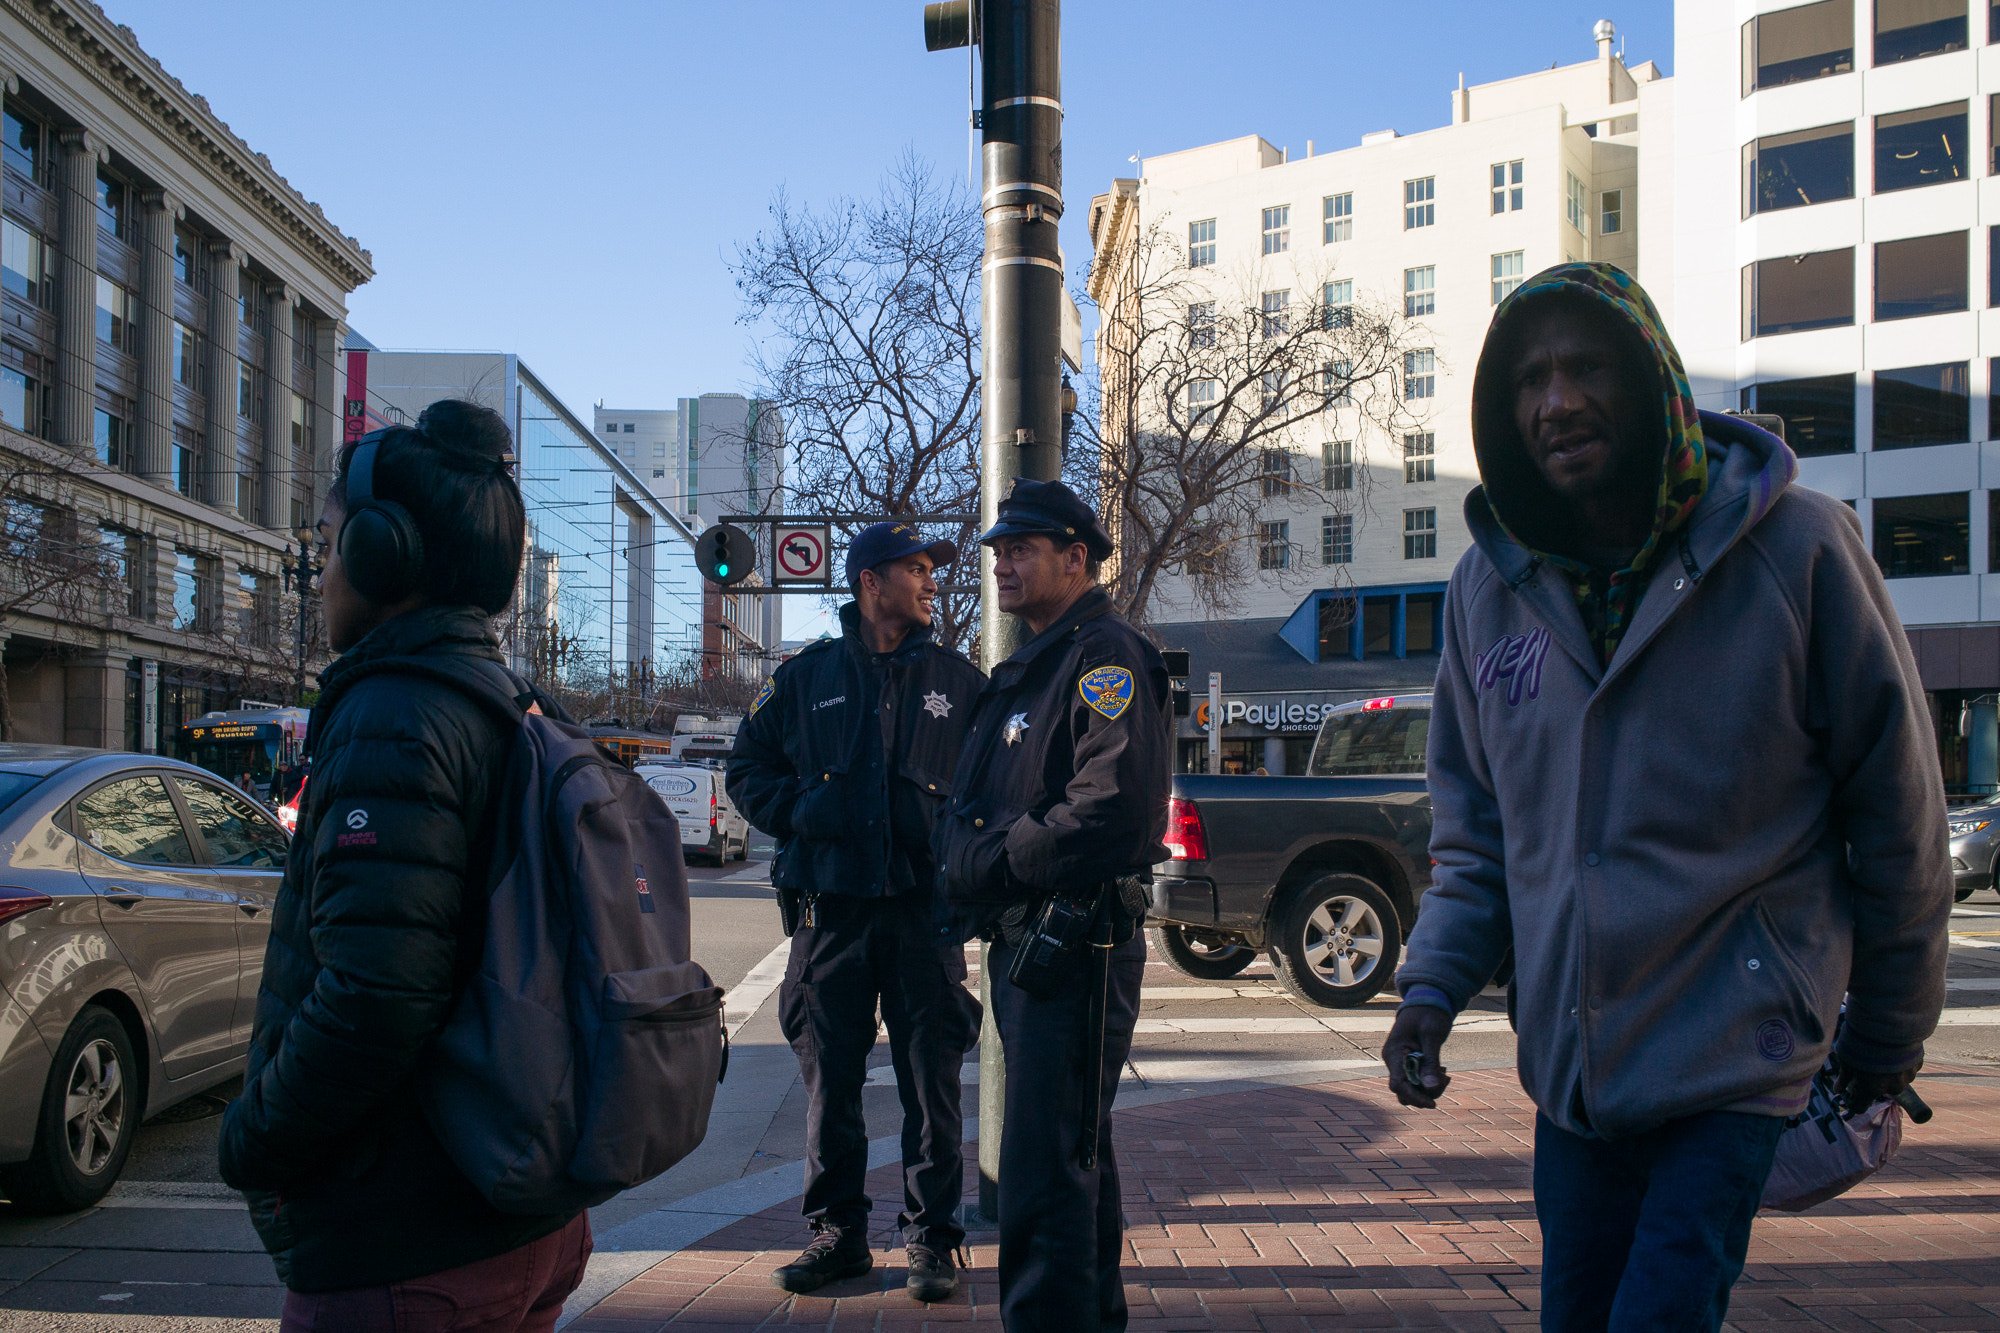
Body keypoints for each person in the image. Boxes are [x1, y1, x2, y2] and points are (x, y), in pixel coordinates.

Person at [1381, 264, 1951, 1333]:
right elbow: (1477, 835)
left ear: (1651, 380)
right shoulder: (1483, 589)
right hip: (1574, 1075)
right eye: (1529, 378)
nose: (1556, 401)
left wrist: (1887, 1030)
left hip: (1734, 1056)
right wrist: (1430, 987)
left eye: (1585, 366)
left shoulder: (1800, 548)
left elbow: (1898, 819)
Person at [218, 400, 592, 1331]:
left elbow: (375, 998)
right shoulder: (510, 703)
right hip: (519, 1209)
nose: (321, 570)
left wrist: (251, 1138)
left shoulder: (398, 714)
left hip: (408, 1240)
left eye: (333, 541)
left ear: (386, 556)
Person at [934, 478, 1172, 1333]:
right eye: (998, 549)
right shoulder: (1036, 663)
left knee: (1044, 1168)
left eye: (1021, 548)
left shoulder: (1102, 656)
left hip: (1073, 946)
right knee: (1071, 1156)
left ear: (1076, 558)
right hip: (1033, 944)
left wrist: (990, 862)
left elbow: (1106, 808)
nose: (1002, 562)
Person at [726, 522, 985, 1302]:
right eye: (916, 568)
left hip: (921, 917)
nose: (933, 580)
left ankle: (931, 1241)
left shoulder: (959, 682)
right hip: (829, 915)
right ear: (872, 581)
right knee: (829, 1083)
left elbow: (993, 791)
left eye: (932, 569)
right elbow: (747, 767)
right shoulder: (805, 678)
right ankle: (838, 1236)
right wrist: (807, 810)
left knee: (930, 1084)